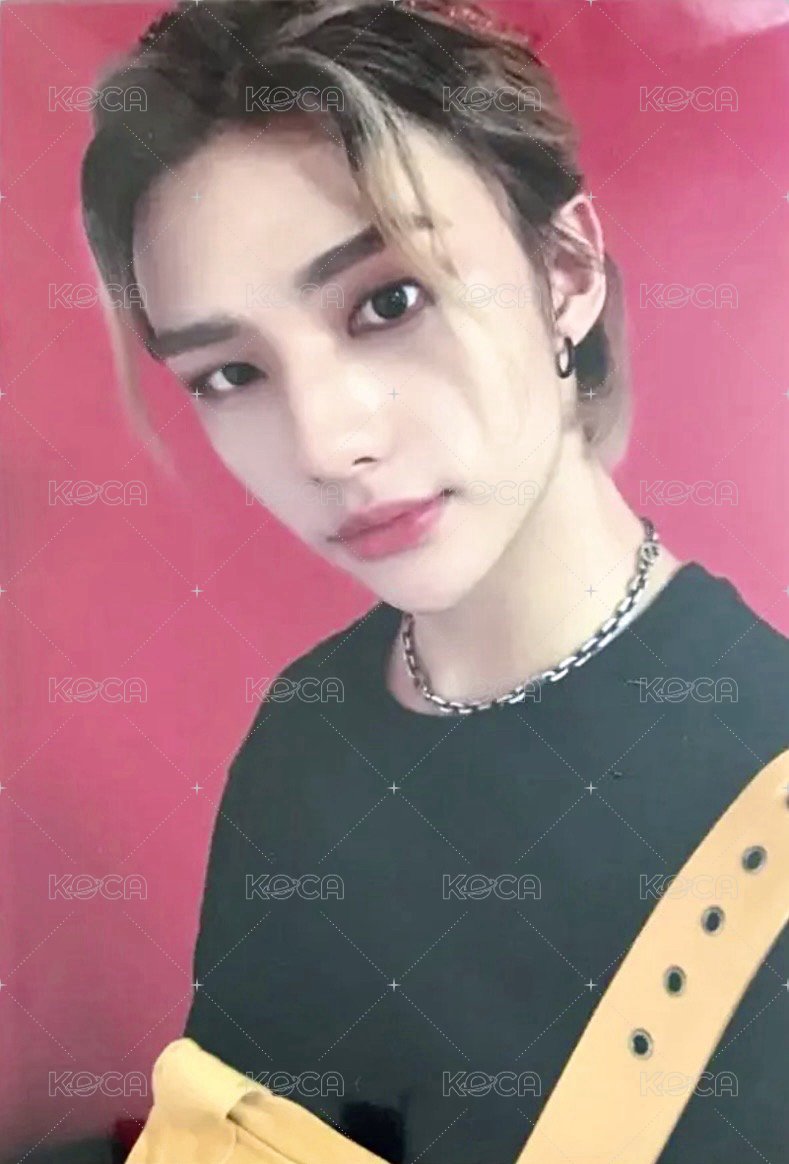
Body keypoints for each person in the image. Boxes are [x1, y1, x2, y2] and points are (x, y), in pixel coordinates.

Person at [80, 2, 788, 1161]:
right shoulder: (303, 739)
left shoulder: (760, 758)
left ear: (565, 272)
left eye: (388, 300)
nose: (325, 444)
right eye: (231, 373)